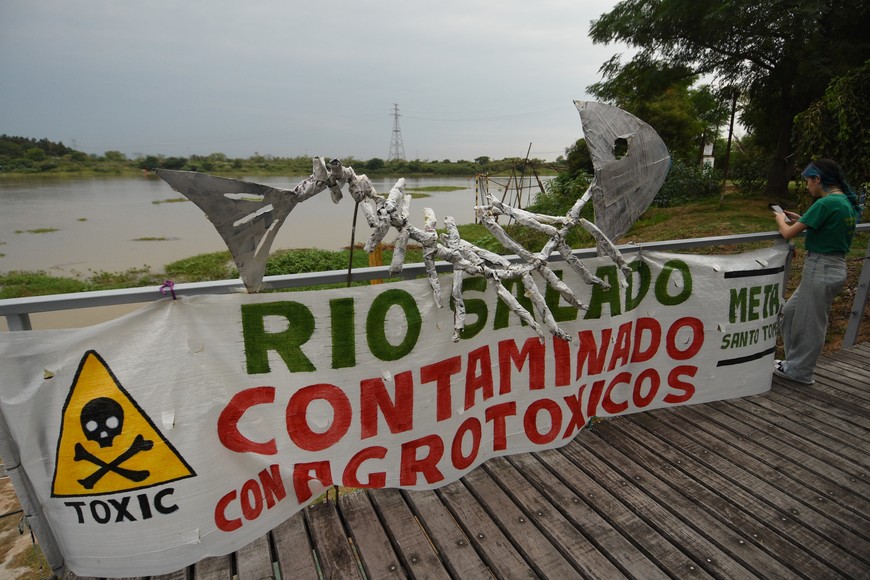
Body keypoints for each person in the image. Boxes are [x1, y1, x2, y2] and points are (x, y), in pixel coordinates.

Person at [772, 158, 860, 385]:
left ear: (818, 179)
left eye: (808, 181)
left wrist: (781, 219)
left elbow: (787, 234)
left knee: (811, 324)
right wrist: (803, 220)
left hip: (820, 268)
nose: (807, 185)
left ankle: (801, 372)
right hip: (832, 267)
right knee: (791, 313)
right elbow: (828, 228)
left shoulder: (825, 204)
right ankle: (794, 362)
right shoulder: (844, 202)